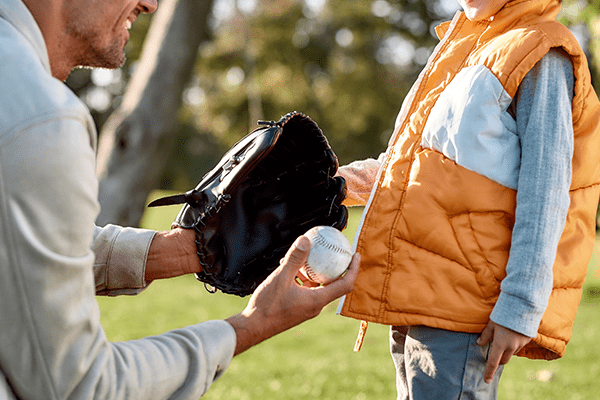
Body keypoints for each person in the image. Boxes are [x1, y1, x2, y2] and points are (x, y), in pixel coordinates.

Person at [0, 0, 359, 398]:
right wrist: (254, 324)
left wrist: (192, 249)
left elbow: (20, 251)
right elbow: (80, 387)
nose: (150, 4)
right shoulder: (40, 118)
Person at [336, 0, 600, 398]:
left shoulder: (541, 51)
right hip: (418, 292)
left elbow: (546, 190)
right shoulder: (463, 50)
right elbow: (410, 167)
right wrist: (331, 184)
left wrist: (521, 306)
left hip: (467, 308)